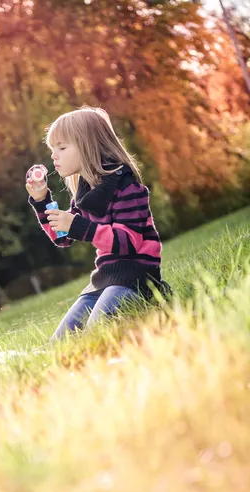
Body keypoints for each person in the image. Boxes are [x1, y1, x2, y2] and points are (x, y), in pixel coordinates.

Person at [26, 106, 172, 342]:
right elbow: (63, 237)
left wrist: (80, 227)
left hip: (136, 277)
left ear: (88, 146)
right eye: (53, 149)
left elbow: (128, 243)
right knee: (60, 344)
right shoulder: (84, 194)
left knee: (98, 332)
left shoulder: (127, 187)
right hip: (103, 280)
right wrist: (43, 202)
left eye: (62, 148)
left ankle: (155, 297)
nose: (54, 155)